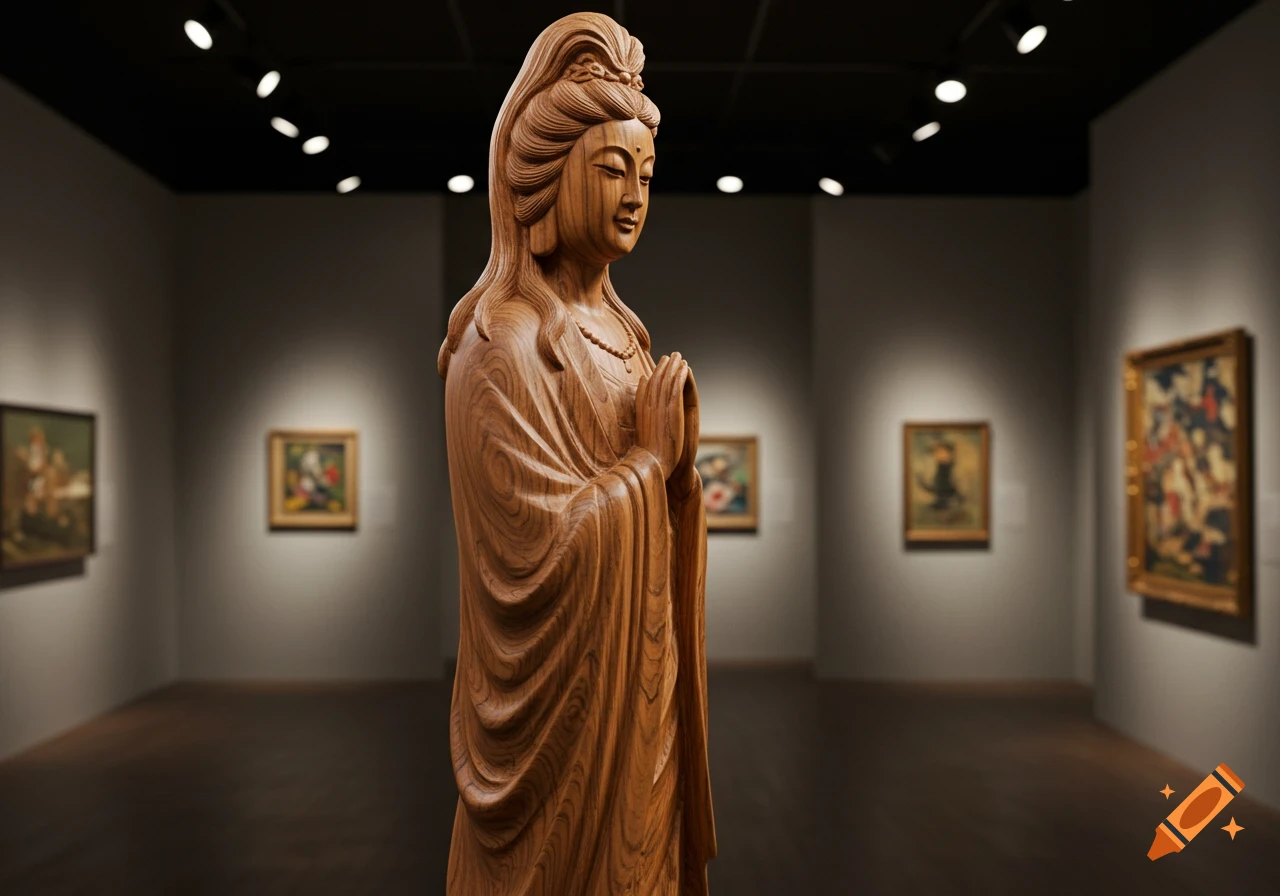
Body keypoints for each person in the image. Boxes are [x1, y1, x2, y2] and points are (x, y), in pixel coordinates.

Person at [437, 12, 715, 895]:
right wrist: (647, 469)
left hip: (643, 696)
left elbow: (654, 510)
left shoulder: (625, 340)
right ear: (547, 177)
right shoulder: (504, 348)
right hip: (563, 739)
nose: (635, 193)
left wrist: (678, 483)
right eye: (611, 169)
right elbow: (531, 563)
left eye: (646, 174)